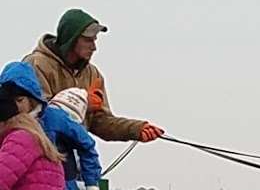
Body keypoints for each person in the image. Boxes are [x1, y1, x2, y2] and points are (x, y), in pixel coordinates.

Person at [24, 9, 163, 143]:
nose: (94, 47)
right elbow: (38, 115)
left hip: (76, 156)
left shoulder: (93, 74)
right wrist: (82, 102)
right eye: (88, 40)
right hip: (41, 152)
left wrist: (137, 129)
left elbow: (100, 122)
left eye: (94, 40)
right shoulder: (36, 64)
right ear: (71, 39)